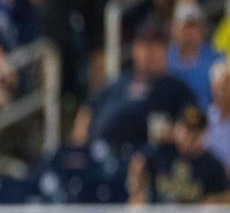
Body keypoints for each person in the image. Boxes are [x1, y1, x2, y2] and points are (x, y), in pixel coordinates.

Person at [80, 21, 199, 159]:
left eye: (155, 46)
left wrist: (174, 133)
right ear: (135, 49)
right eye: (143, 45)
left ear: (166, 50)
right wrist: (78, 147)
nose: (148, 52)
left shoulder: (176, 88)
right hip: (99, 153)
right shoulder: (121, 81)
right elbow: (88, 109)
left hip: (144, 160)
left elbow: (193, 125)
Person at [128, 103, 230, 205]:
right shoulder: (161, 151)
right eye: (185, 130)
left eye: (195, 133)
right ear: (176, 128)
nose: (188, 137)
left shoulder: (212, 163)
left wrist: (213, 203)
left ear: (204, 133)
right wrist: (138, 191)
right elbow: (138, 161)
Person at [167, 2, 221, 110]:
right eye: (185, 27)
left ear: (202, 29)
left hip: (206, 120)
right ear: (174, 28)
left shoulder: (217, 59)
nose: (189, 32)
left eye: (194, 27)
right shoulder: (164, 58)